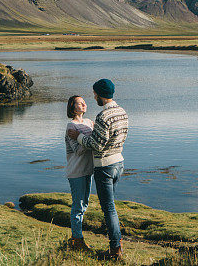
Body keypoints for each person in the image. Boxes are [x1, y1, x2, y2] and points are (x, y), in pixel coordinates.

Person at [67, 78, 128, 261]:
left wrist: (78, 136)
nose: (93, 97)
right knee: (111, 207)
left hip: (105, 166)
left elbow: (96, 145)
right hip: (119, 163)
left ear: (101, 94)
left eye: (94, 94)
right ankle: (114, 244)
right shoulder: (122, 112)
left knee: (109, 209)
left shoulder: (103, 116)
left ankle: (115, 249)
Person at [64, 95, 94, 251]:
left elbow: (94, 142)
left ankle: (77, 238)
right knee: (78, 206)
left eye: (84, 102)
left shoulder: (89, 122)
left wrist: (87, 139)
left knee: (84, 205)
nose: (83, 104)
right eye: (79, 103)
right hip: (76, 172)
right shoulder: (71, 125)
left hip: (88, 170)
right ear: (72, 107)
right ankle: (77, 240)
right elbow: (79, 150)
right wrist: (91, 140)